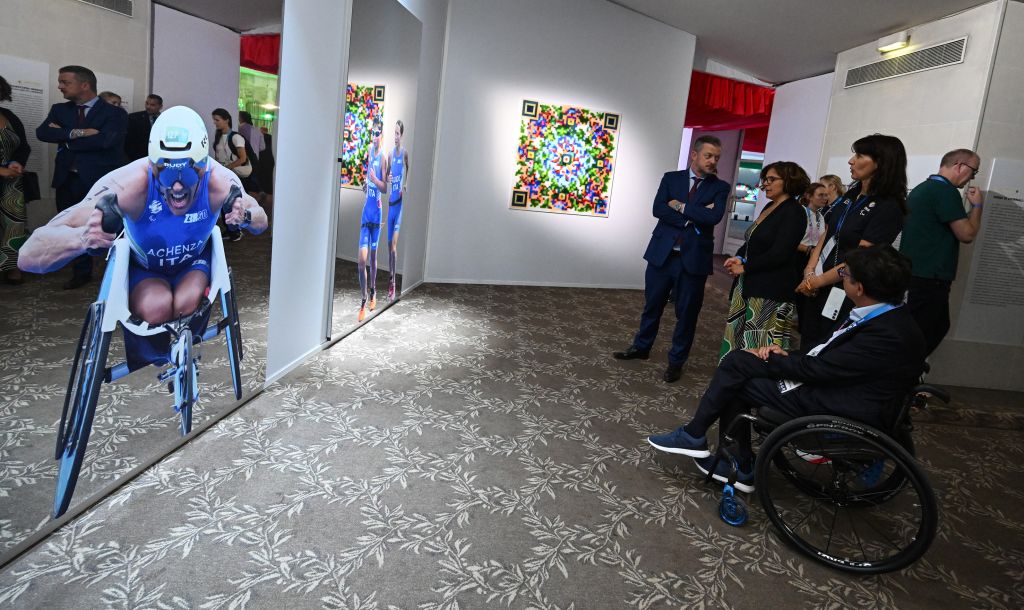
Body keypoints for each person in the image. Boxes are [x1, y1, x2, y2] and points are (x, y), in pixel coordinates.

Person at [648, 245, 926, 492]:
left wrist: (775, 361)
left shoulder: (885, 334)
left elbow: (822, 370)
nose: (842, 277)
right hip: (845, 387)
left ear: (860, 288)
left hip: (840, 403)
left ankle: (729, 457)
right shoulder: (889, 317)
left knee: (737, 377)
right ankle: (702, 439)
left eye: (845, 274)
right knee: (739, 363)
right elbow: (833, 357)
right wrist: (783, 354)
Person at [19, 106, 267, 365]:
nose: (177, 186)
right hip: (146, 267)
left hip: (192, 263)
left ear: (203, 168)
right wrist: (81, 239)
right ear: (152, 165)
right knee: (156, 305)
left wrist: (245, 216)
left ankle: (181, 352)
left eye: (186, 173)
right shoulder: (128, 184)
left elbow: (261, 221)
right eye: (166, 172)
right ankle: (159, 357)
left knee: (186, 301)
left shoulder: (220, 181)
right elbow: (27, 256)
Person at [613, 135, 730, 383]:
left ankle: (676, 362)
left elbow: (714, 218)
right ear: (694, 155)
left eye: (717, 157)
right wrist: (693, 217)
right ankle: (641, 347)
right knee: (652, 305)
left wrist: (679, 206)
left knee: (687, 314)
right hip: (662, 254)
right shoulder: (671, 178)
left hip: (694, 260)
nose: (713, 161)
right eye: (708, 155)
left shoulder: (720, 187)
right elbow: (658, 208)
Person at [797, 134, 907, 348]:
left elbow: (861, 259)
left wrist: (818, 281)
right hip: (817, 282)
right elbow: (828, 233)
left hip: (845, 289)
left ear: (880, 162)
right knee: (807, 343)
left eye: (859, 155)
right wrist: (809, 271)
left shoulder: (888, 206)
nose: (851, 161)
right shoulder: (851, 195)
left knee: (825, 347)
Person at [36, 65, 127, 289]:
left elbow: (106, 141)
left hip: (99, 182)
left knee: (110, 226)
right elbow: (43, 132)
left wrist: (66, 140)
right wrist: (80, 133)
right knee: (72, 229)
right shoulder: (60, 109)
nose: (60, 86)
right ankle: (81, 273)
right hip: (67, 179)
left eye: (65, 82)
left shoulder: (114, 113)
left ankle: (121, 271)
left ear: (84, 85)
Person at [720, 162, 810, 361]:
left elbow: (780, 254)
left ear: (789, 181)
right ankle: (734, 374)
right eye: (765, 179)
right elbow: (752, 241)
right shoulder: (770, 206)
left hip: (770, 288)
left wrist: (745, 267)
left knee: (759, 345)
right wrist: (739, 257)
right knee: (740, 338)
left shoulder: (794, 211)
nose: (765, 184)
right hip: (752, 281)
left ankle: (748, 379)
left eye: (771, 179)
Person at [899, 149, 984, 355]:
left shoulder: (922, 188)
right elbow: (967, 234)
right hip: (929, 277)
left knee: (928, 327)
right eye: (973, 171)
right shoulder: (945, 191)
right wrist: (977, 206)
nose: (972, 177)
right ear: (959, 166)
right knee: (927, 330)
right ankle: (905, 370)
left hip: (914, 273)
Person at [357, 116, 389, 322]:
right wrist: (366, 184)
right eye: (372, 133)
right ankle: (363, 298)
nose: (374, 136)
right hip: (365, 212)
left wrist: (375, 180)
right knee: (361, 263)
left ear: (381, 135)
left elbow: (384, 188)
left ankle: (373, 291)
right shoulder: (370, 150)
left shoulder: (383, 157)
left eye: (377, 133)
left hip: (376, 215)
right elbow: (368, 178)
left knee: (373, 259)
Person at [0, 75, 31, 284]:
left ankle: (12, 266)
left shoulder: (9, 116)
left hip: (11, 184)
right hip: (3, 176)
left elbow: (23, 146)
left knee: (14, 226)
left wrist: (16, 162)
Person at [211, 108, 259, 241]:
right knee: (224, 202)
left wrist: (227, 168)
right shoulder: (218, 137)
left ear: (226, 120)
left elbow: (243, 158)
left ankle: (236, 231)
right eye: (214, 120)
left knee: (233, 202)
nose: (215, 122)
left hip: (235, 175)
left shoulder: (236, 137)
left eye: (217, 120)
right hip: (225, 175)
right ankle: (230, 230)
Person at [796, 182, 830, 340]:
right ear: (809, 196)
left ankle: (804, 329)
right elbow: (791, 240)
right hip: (799, 257)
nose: (824, 198)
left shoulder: (821, 217)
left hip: (813, 259)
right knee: (798, 294)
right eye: (820, 195)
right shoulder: (801, 213)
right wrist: (808, 249)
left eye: (826, 195)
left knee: (808, 294)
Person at [386, 119, 409, 302]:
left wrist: (405, 183)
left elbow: (408, 167)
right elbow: (386, 175)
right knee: (389, 248)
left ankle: (393, 282)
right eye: (394, 133)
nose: (395, 136)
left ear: (402, 135)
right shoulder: (390, 154)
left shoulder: (404, 153)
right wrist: (388, 177)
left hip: (399, 206)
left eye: (397, 133)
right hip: (390, 206)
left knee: (394, 245)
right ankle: (391, 277)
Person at [125, 94, 163, 162]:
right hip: (138, 157)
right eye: (147, 103)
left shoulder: (165, 119)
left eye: (152, 105)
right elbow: (128, 139)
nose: (148, 107)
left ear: (160, 106)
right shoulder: (134, 117)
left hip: (160, 156)